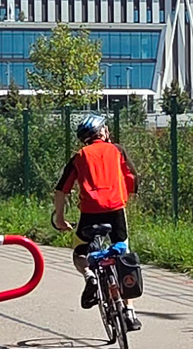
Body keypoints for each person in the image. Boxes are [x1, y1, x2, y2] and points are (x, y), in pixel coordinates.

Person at [51, 114, 141, 330]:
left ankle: (90, 275)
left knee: (80, 252)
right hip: (116, 210)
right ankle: (129, 312)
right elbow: (133, 177)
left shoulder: (79, 156)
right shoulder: (117, 150)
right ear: (103, 132)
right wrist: (126, 194)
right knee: (123, 256)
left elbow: (61, 190)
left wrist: (61, 218)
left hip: (90, 213)